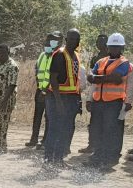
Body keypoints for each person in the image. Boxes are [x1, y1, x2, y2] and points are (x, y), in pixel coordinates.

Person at [86, 33, 132, 170]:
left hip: (113, 102)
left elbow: (117, 78)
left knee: (109, 131)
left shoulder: (124, 63)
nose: (114, 49)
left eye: (117, 47)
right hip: (98, 101)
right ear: (108, 47)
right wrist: (102, 78)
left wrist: (97, 78)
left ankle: (105, 158)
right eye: (112, 47)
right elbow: (90, 77)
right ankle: (97, 157)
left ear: (122, 47)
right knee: (97, 130)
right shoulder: (101, 61)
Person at [44, 29, 83, 166]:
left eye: (76, 39)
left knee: (65, 130)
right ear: (66, 40)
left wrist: (78, 101)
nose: (74, 42)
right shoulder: (59, 54)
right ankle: (49, 159)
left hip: (71, 98)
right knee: (55, 129)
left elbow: (76, 80)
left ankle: (59, 159)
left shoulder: (77, 56)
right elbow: (53, 79)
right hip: (57, 98)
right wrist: (59, 102)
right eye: (71, 39)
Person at [28, 31, 62, 148]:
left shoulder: (58, 55)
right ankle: (34, 139)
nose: (49, 42)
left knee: (49, 117)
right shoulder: (43, 55)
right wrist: (40, 89)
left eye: (52, 40)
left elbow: (54, 76)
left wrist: (46, 90)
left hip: (51, 92)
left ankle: (45, 141)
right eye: (48, 40)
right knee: (37, 115)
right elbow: (38, 72)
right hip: (40, 90)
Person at [79, 34, 111, 154]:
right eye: (97, 41)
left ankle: (101, 148)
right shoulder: (95, 58)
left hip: (107, 95)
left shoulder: (111, 57)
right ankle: (92, 145)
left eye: (102, 41)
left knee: (105, 123)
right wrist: (89, 98)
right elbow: (91, 78)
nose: (99, 44)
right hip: (95, 92)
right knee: (94, 123)